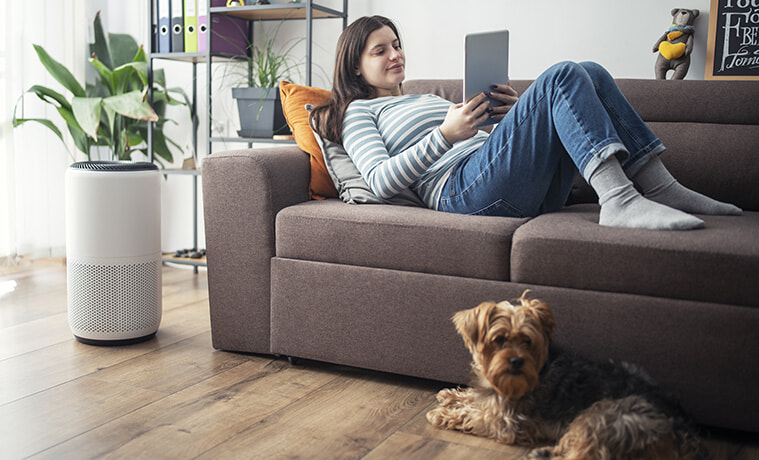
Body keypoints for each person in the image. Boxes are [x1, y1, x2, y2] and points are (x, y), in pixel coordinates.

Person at [310, 16, 741, 230]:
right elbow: (381, 181)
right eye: (380, 50)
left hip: (499, 181)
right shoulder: (357, 112)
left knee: (588, 70)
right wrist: (445, 134)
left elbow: (486, 148)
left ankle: (664, 189)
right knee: (561, 74)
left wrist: (515, 117)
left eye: (397, 45)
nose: (395, 54)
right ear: (354, 67)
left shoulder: (425, 97)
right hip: (459, 193)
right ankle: (619, 200)